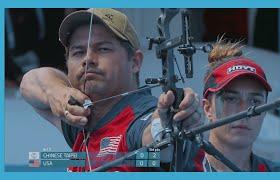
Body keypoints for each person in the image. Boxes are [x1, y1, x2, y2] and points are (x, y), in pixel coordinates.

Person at [20, 8, 203, 172]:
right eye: (78, 52)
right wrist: (58, 93)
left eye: (103, 49)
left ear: (135, 62)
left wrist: (164, 124)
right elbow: (30, 81)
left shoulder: (141, 116)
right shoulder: (80, 119)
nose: (88, 59)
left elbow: (160, 149)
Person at [200, 39, 280, 172]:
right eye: (231, 99)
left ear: (264, 112)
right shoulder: (179, 164)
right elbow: (156, 163)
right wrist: (156, 137)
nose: (245, 110)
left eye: (255, 101)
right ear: (208, 108)